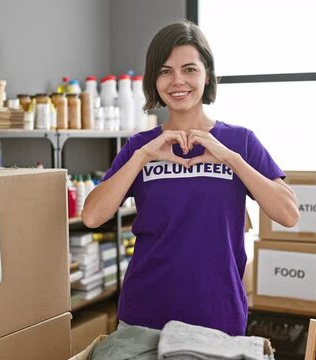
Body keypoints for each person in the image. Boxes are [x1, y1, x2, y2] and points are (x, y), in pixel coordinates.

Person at [81, 20, 299, 336]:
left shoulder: (240, 142)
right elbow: (91, 216)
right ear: (154, 79)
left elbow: (288, 214)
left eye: (189, 69)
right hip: (144, 315)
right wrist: (143, 156)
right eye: (165, 71)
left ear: (206, 74)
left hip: (216, 314)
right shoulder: (139, 146)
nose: (177, 81)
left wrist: (230, 159)